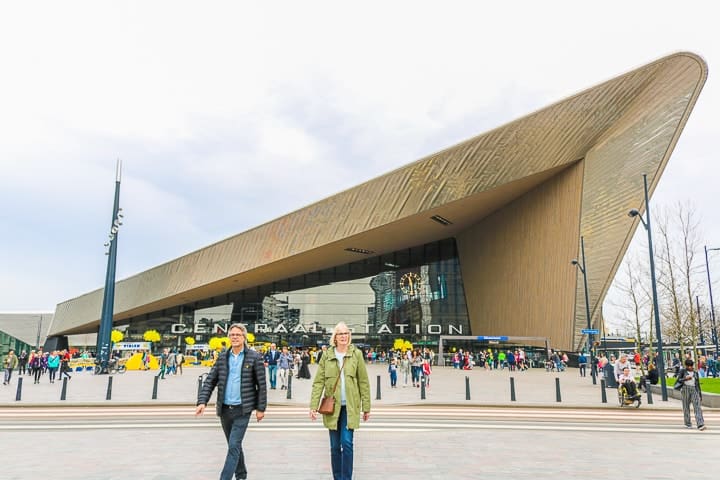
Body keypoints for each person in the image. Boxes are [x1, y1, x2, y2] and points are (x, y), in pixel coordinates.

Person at [196, 323, 267, 480]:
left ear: (244, 337)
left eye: (238, 334)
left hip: (243, 409)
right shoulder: (223, 357)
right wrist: (202, 401)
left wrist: (261, 408)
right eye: (232, 334)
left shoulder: (254, 357)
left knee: (234, 445)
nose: (234, 337)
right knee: (233, 445)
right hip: (225, 410)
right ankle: (241, 475)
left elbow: (261, 385)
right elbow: (210, 381)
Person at [310, 322, 371, 480]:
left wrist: (366, 407)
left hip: (350, 407)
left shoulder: (356, 354)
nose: (344, 336)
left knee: (347, 443)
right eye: (340, 334)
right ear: (335, 338)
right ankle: (338, 477)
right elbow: (318, 382)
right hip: (332, 408)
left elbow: (363, 381)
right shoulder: (327, 355)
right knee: (335, 446)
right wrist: (313, 406)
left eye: (346, 333)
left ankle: (346, 478)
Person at [676, 359, 706, 431]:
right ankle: (688, 423)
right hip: (685, 389)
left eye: (691, 366)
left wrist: (700, 394)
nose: (690, 367)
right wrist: (685, 379)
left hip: (694, 389)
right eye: (688, 366)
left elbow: (697, 384)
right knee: (686, 406)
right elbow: (678, 380)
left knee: (697, 407)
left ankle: (700, 423)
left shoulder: (695, 373)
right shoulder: (682, 371)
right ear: (686, 366)